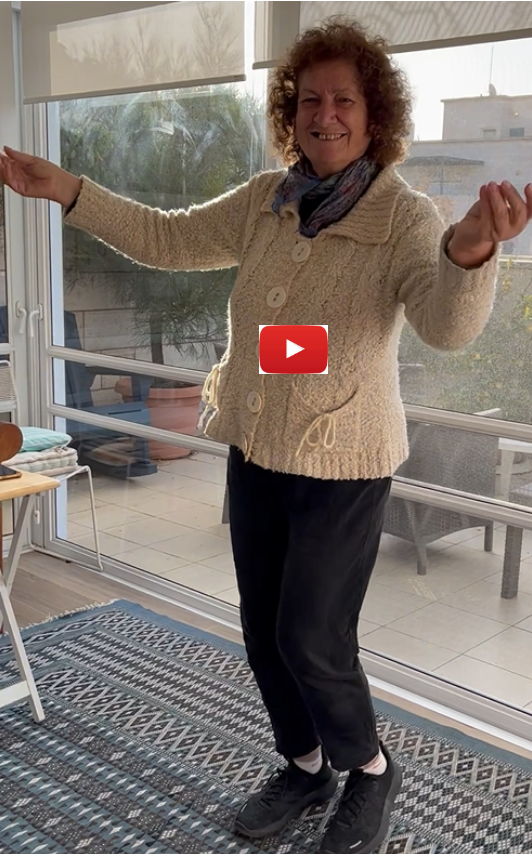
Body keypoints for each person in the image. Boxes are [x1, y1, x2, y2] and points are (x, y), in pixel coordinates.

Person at [2, 18, 532, 854]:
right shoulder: (266, 201)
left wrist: (468, 251)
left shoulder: (401, 215)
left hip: (344, 460)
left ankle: (369, 768)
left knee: (310, 636)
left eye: (344, 100)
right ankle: (306, 763)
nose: (326, 115)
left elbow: (445, 327)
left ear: (375, 114)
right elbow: (168, 237)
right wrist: (69, 190)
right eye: (310, 99)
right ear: (292, 110)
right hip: (257, 448)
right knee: (263, 632)